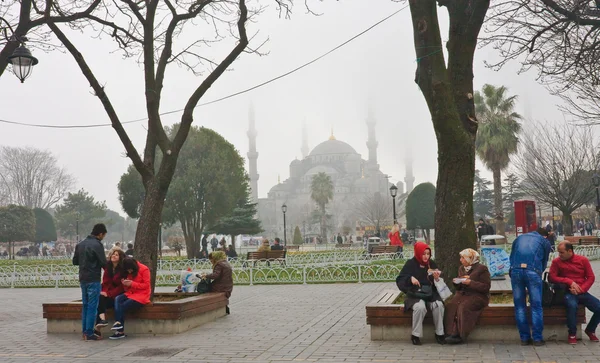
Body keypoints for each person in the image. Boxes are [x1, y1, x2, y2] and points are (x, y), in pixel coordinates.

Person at [549, 242, 600, 344]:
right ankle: (572, 333)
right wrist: (569, 281)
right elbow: (552, 277)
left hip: (581, 291)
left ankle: (590, 329)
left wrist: (581, 289)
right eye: (558, 252)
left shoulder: (583, 260)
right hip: (567, 292)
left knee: (599, 308)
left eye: (562, 252)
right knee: (572, 306)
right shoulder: (556, 262)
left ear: (570, 251)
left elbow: (591, 277)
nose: (559, 254)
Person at [396, 242, 445, 345]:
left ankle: (439, 333)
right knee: (420, 307)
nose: (426, 256)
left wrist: (436, 278)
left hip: (430, 293)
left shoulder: (431, 264)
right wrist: (410, 278)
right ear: (418, 253)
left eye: (428, 254)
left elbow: (439, 283)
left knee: (439, 305)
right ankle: (415, 335)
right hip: (415, 294)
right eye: (423, 253)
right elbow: (400, 280)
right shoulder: (410, 264)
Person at [509, 227, 552, 346]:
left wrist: (513, 271)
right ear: (545, 236)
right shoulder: (544, 241)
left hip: (516, 271)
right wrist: (539, 272)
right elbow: (544, 261)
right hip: (533, 271)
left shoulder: (519, 238)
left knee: (519, 306)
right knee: (536, 306)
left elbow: (512, 257)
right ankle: (537, 338)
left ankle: (524, 338)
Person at [444, 249, 491, 344]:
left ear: (470, 258)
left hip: (478, 296)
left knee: (463, 307)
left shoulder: (482, 269)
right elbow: (459, 287)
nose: (461, 260)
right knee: (451, 305)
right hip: (463, 294)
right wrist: (457, 282)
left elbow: (486, 287)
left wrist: (471, 283)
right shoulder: (462, 268)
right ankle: (450, 332)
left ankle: (460, 334)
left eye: (463, 258)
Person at [72, 223, 108, 341]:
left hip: (83, 278)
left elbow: (75, 261)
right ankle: (89, 332)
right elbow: (103, 263)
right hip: (93, 278)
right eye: (103, 236)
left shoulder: (80, 244)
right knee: (93, 305)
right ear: (101, 234)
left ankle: (85, 331)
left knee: (86, 305)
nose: (103, 238)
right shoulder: (97, 245)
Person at [109, 257, 151, 339]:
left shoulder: (144, 269)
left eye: (130, 270)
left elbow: (146, 285)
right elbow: (128, 289)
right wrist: (125, 284)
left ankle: (119, 329)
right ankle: (119, 325)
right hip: (130, 293)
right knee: (118, 299)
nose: (129, 272)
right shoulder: (128, 271)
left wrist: (132, 284)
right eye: (127, 270)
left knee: (123, 305)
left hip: (141, 295)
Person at [96, 249, 126, 330]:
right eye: (113, 254)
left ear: (120, 258)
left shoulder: (123, 270)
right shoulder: (108, 267)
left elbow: (121, 287)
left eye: (116, 255)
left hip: (117, 296)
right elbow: (105, 283)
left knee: (100, 302)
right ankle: (102, 320)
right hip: (108, 294)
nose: (113, 256)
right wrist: (104, 292)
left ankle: (98, 328)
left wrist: (109, 294)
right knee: (99, 298)